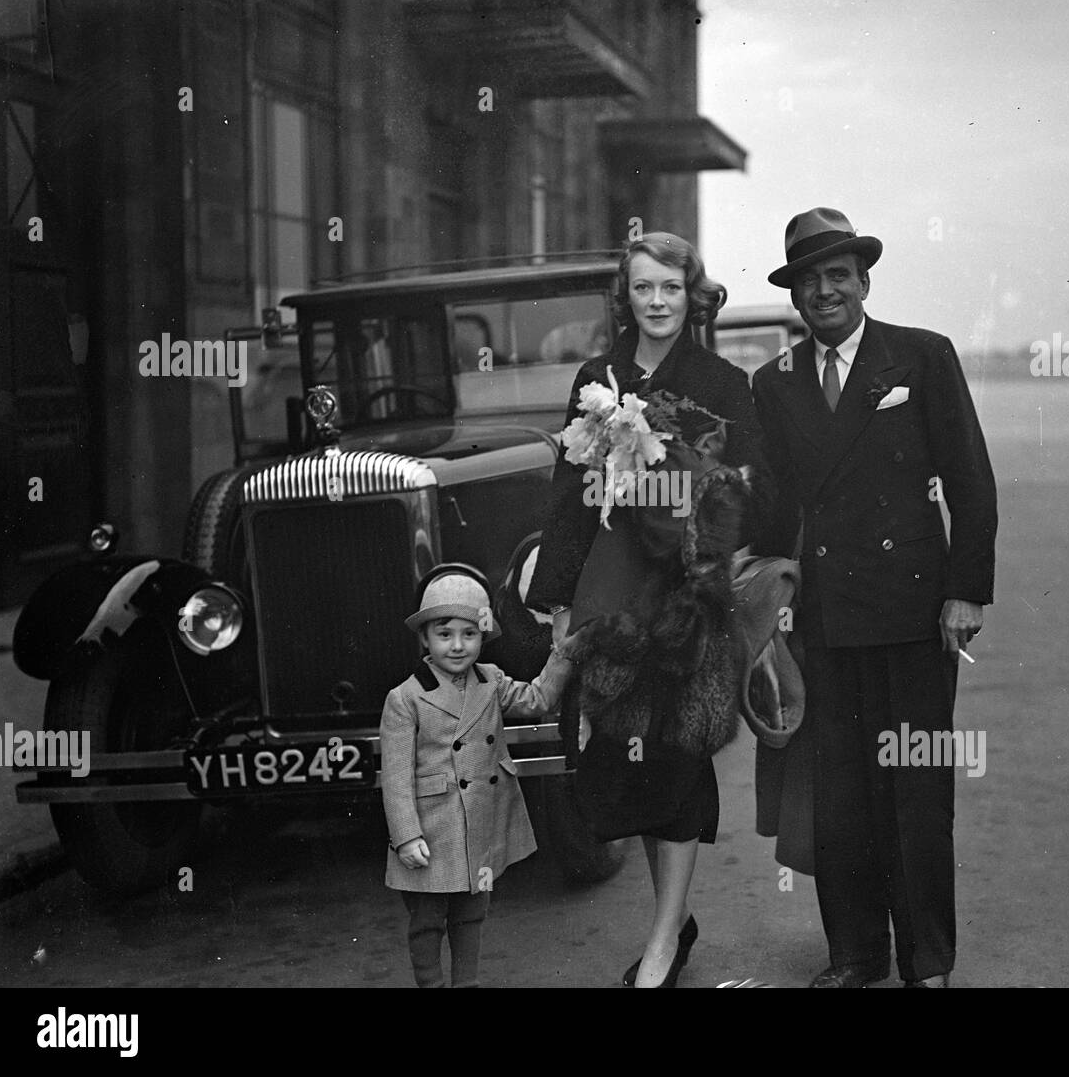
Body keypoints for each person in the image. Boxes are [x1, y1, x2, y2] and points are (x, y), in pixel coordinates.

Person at [752, 207, 998, 988]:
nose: (824, 293)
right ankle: (856, 955)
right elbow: (772, 505)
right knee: (841, 797)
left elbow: (971, 481)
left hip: (915, 614)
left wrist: (966, 592)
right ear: (794, 296)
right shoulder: (774, 381)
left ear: (863, 282)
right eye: (808, 281)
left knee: (917, 793)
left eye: (837, 277)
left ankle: (927, 960)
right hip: (822, 620)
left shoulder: (921, 358)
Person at [527, 232, 769, 988]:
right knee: (626, 766)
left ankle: (663, 943)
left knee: (680, 758)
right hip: (613, 600)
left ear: (691, 294)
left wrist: (689, 518)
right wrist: (559, 605)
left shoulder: (725, 382)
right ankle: (675, 923)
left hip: (689, 603)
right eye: (643, 289)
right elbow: (570, 497)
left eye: (670, 287)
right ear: (625, 297)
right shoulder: (598, 379)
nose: (657, 301)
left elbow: (740, 495)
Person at [380, 564, 576, 987]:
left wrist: (562, 653)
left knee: (472, 914)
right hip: (432, 830)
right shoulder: (405, 698)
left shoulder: (491, 681)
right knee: (428, 920)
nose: (457, 646)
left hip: (477, 824)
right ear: (425, 639)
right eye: (445, 634)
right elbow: (395, 779)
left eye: (469, 635)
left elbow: (537, 698)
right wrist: (406, 836)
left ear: (483, 639)